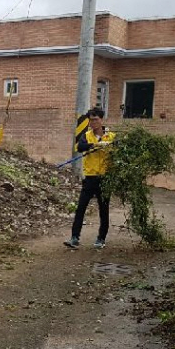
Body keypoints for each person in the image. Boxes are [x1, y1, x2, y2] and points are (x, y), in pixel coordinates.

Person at [64, 107, 116, 249]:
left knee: (103, 210)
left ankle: (101, 238)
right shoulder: (86, 136)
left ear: (101, 120)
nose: (93, 123)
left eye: (95, 120)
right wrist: (95, 145)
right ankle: (74, 238)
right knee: (80, 208)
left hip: (105, 179)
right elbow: (80, 147)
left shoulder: (111, 136)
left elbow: (119, 152)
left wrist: (109, 146)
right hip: (90, 178)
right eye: (91, 120)